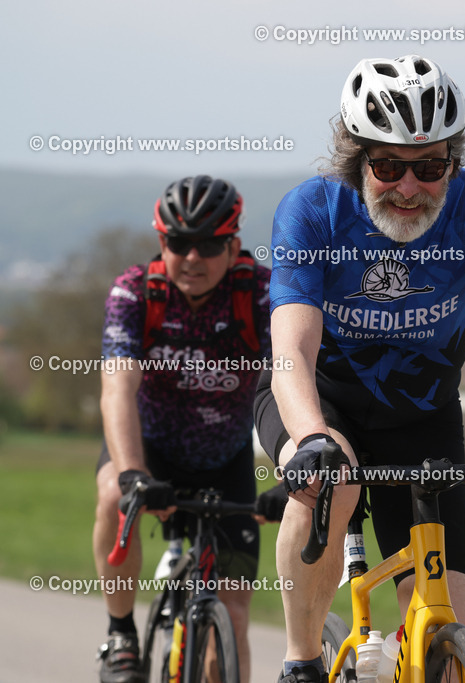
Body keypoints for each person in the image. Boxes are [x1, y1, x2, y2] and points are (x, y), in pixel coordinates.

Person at [255, 55, 465, 683]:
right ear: (355, 157)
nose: (409, 187)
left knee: (443, 635)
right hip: (314, 400)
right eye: (387, 166)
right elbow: (291, 356)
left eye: (430, 166)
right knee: (332, 488)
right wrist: (308, 439)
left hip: (421, 415)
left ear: (453, 162)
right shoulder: (312, 211)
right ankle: (301, 660)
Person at [94, 175, 280, 683]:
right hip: (148, 450)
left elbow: (287, 381)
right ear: (161, 243)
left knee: (235, 617)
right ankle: (120, 635)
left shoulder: (259, 292)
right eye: (179, 243)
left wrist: (294, 464)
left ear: (233, 245)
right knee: (112, 494)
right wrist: (132, 473)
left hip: (227, 462)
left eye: (209, 245)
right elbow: (117, 388)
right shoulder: (136, 292)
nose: (192, 258)